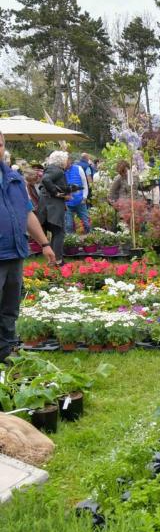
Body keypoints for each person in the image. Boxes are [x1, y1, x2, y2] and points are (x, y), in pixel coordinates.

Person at [0, 132, 56, 361]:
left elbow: (26, 213)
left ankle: (5, 356)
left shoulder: (13, 179)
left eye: (0, 143)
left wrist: (44, 243)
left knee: (9, 310)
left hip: (14, 253)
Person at [39, 150, 78, 263]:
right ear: (61, 161)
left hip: (47, 206)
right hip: (53, 207)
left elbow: (43, 186)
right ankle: (57, 260)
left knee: (56, 233)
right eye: (66, 160)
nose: (67, 162)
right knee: (59, 232)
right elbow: (45, 180)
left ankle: (53, 260)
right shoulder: (58, 171)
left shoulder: (51, 169)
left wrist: (65, 192)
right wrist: (57, 194)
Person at [65, 158, 90, 234]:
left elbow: (85, 183)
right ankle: (72, 242)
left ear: (70, 160)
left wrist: (84, 197)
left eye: (67, 160)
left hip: (80, 201)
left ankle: (89, 240)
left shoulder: (78, 168)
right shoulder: (61, 171)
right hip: (67, 203)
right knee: (68, 225)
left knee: (86, 223)